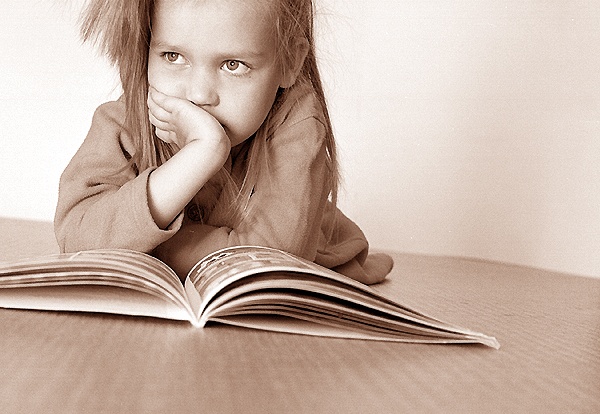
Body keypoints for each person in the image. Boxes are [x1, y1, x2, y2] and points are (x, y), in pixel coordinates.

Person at [55, 0, 393, 284]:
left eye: (234, 65)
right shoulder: (126, 118)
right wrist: (200, 155)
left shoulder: (299, 122)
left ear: (290, 62)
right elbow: (78, 236)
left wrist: (143, 243)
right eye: (173, 56)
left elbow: (271, 264)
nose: (199, 95)